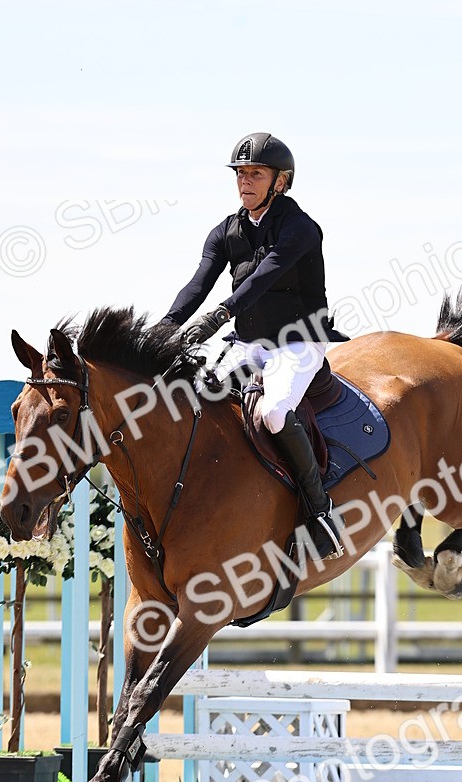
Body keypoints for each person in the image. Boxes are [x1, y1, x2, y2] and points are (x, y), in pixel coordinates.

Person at [161, 132, 346, 559]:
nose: (245, 182)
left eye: (255, 174)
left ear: (280, 181)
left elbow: (264, 277)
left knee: (276, 413)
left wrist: (220, 315)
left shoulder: (300, 228)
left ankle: (321, 513)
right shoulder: (227, 230)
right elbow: (198, 282)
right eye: (241, 174)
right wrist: (166, 328)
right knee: (199, 402)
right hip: (248, 343)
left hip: (297, 342)